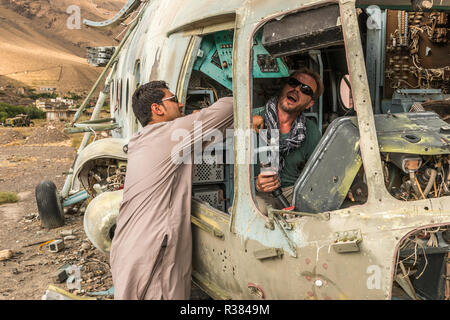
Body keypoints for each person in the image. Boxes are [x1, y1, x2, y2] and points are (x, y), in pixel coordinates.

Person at [110, 81, 233, 299]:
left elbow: (207, 137)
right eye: (174, 100)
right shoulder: (168, 134)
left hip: (133, 246)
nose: (181, 103)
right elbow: (229, 107)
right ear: (157, 109)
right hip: (154, 250)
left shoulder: (144, 138)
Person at [252, 67, 324, 214]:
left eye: (305, 89)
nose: (297, 89)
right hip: (254, 192)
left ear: (310, 103)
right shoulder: (251, 118)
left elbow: (318, 174)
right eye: (293, 82)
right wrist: (256, 184)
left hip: (292, 192)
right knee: (256, 211)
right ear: (285, 86)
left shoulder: (310, 131)